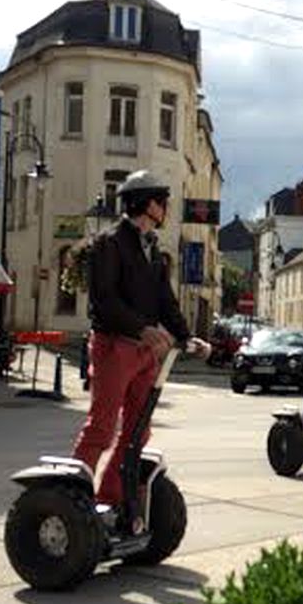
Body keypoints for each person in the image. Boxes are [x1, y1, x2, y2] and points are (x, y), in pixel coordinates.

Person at [72, 171, 209, 510]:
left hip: (145, 352)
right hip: (113, 346)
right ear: (148, 204)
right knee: (102, 428)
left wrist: (187, 336)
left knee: (138, 431)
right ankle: (72, 499)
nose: (166, 209)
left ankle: (112, 497)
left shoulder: (152, 249)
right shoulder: (110, 243)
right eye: (163, 202)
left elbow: (165, 300)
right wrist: (141, 329)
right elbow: (104, 299)